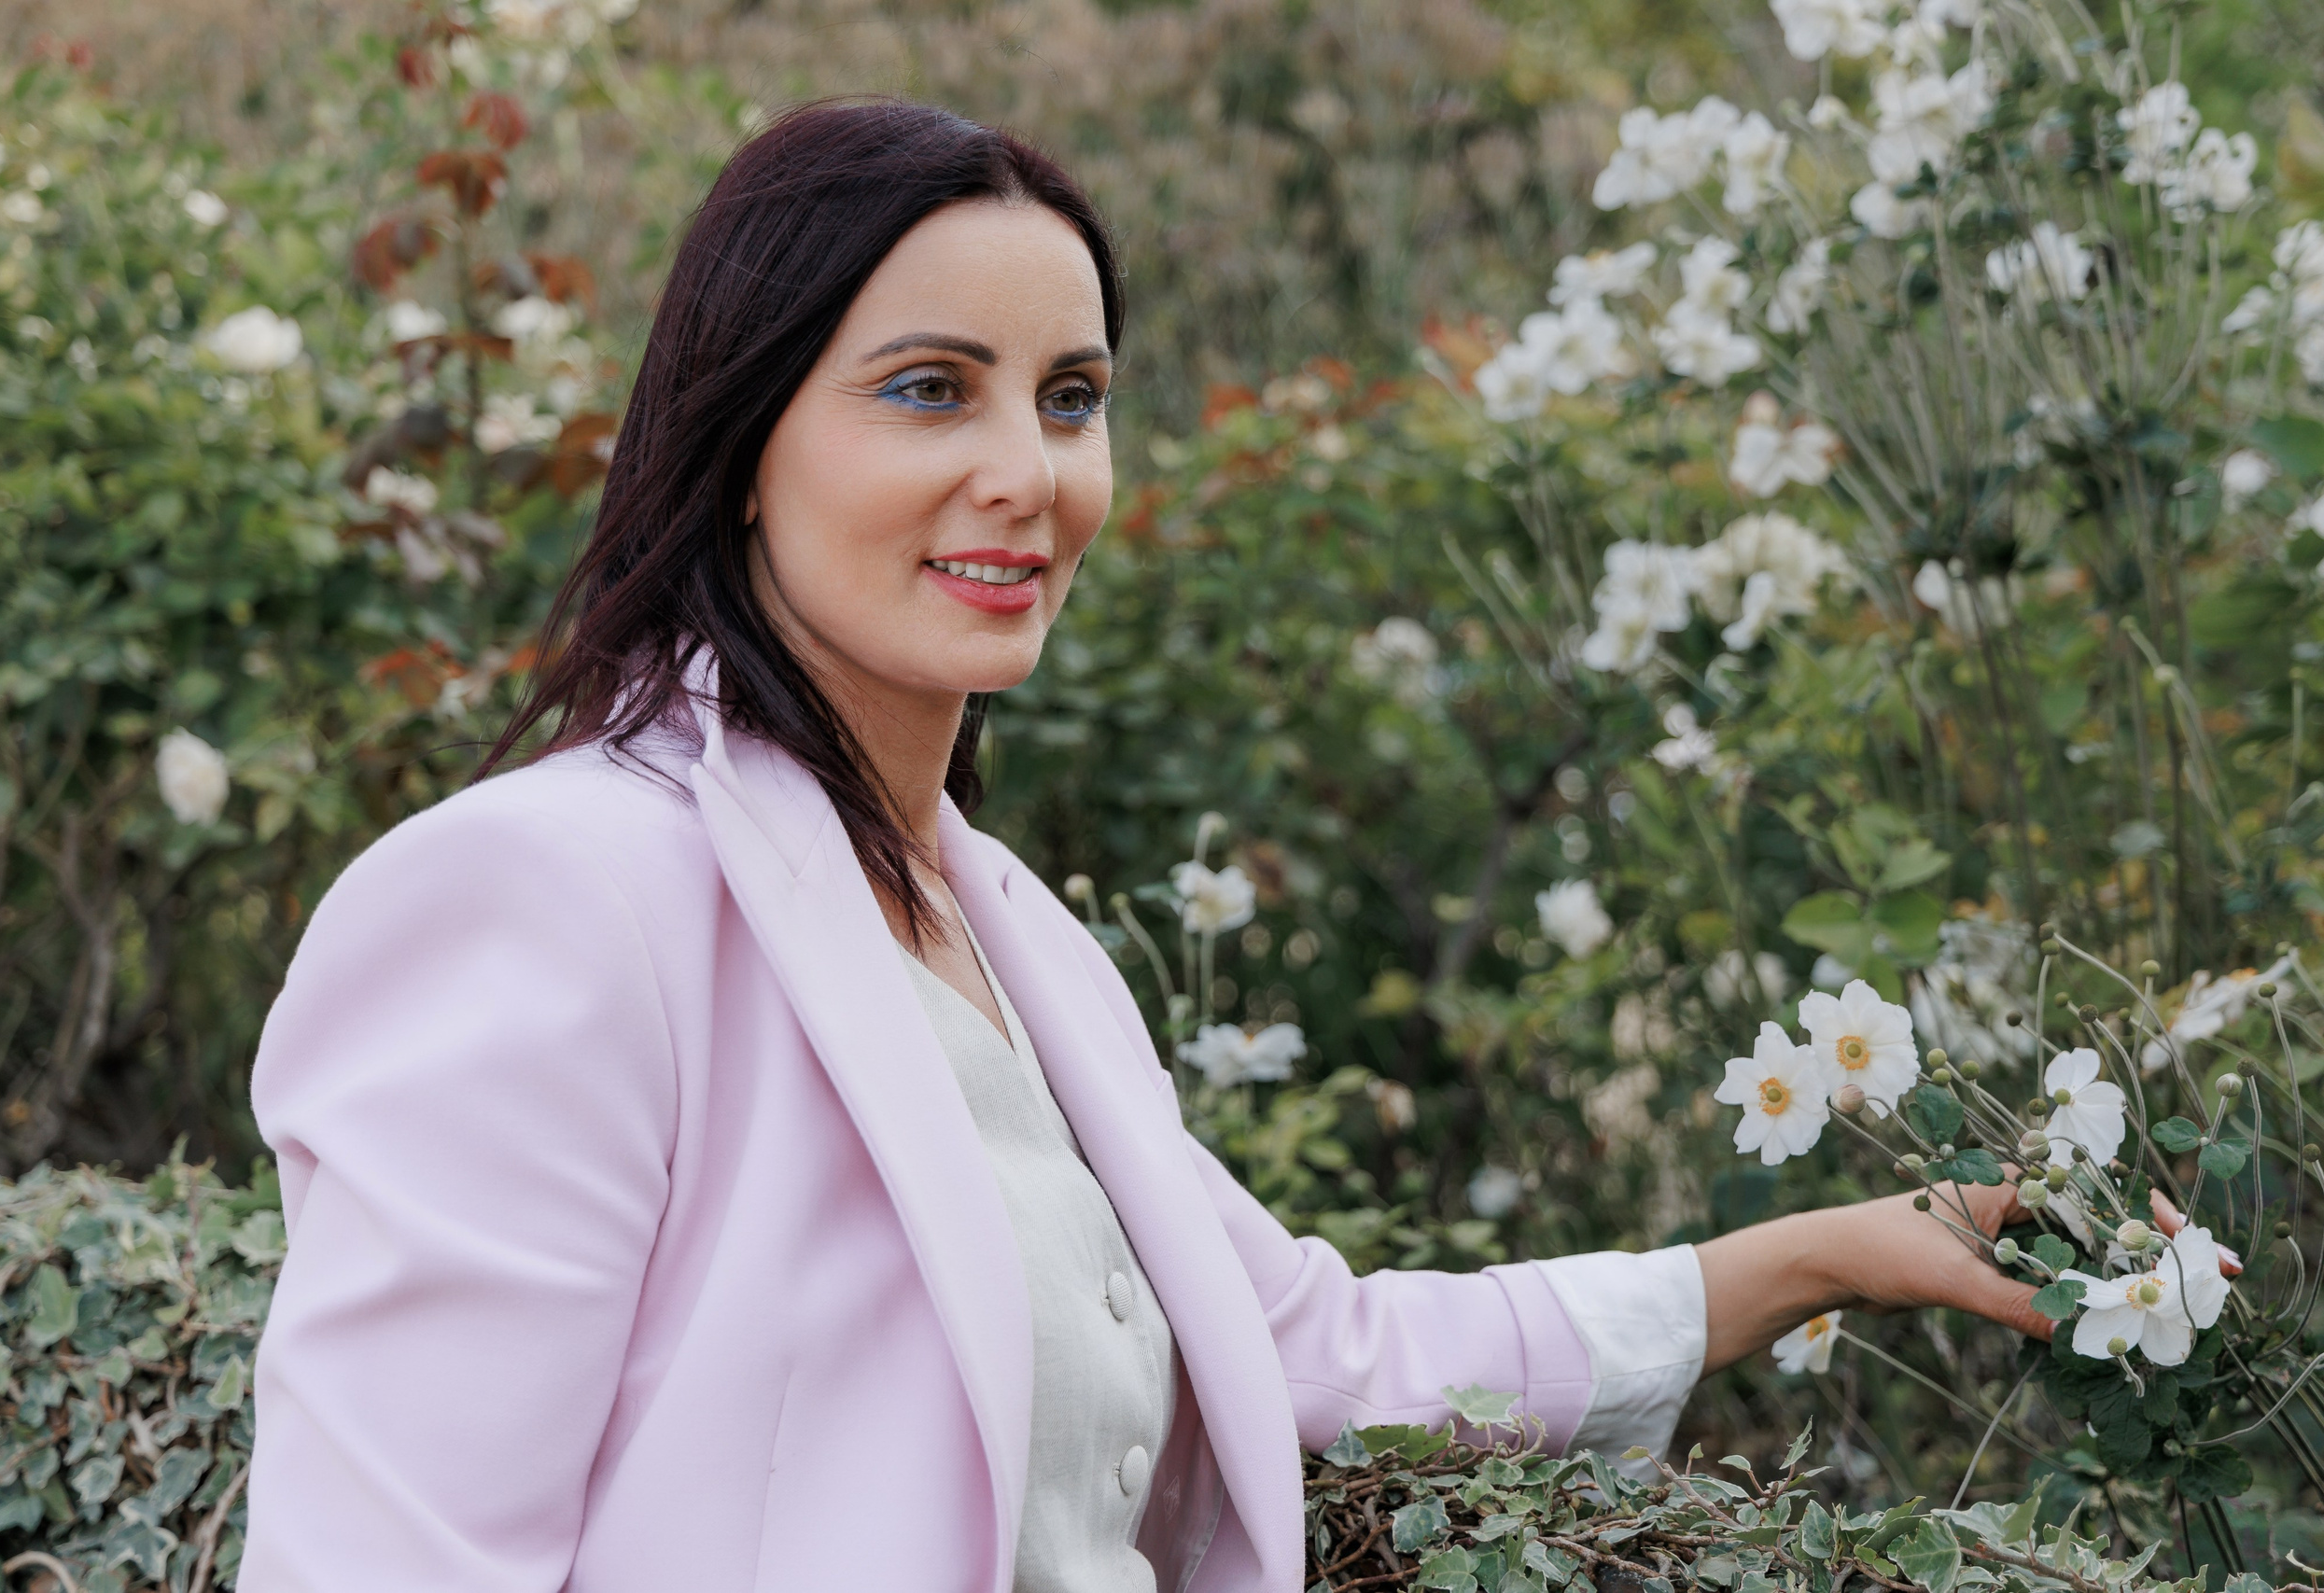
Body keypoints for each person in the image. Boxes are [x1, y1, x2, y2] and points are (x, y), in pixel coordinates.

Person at [239, 101, 2050, 1593]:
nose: (1027, 470)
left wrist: (1817, 1251)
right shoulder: (549, 895)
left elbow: (1323, 1351)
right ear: (737, 446)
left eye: (1072, 394)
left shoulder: (1016, 940)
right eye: (928, 389)